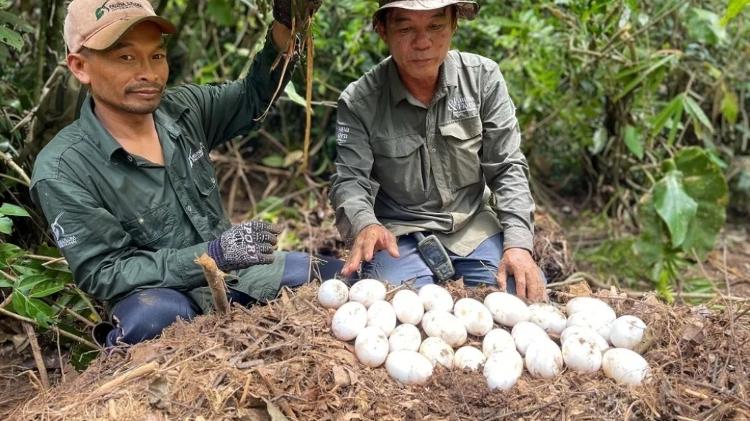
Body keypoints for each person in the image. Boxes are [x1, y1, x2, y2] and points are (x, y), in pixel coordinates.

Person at [30, 0, 331, 347]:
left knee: (335, 277)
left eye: (156, 56)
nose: (149, 73)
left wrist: (287, 23)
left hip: (239, 277)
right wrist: (213, 255)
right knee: (153, 321)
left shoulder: (185, 110)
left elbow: (253, 97)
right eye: (125, 58)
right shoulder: (63, 168)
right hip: (163, 297)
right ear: (80, 66)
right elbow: (105, 273)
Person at [329, 0, 546, 301]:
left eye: (435, 26)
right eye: (406, 28)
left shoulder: (483, 79)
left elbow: (507, 167)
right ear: (383, 30)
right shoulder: (359, 101)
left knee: (518, 297)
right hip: (398, 236)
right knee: (390, 307)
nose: (422, 42)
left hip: (474, 228)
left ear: (454, 24)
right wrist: (366, 224)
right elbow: (350, 180)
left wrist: (518, 245)